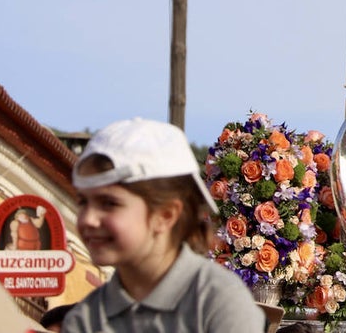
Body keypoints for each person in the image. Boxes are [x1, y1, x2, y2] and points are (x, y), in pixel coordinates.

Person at [61, 117, 265, 333]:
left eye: (109, 203)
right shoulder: (85, 319)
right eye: (83, 201)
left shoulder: (218, 302)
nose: (88, 219)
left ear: (166, 215)